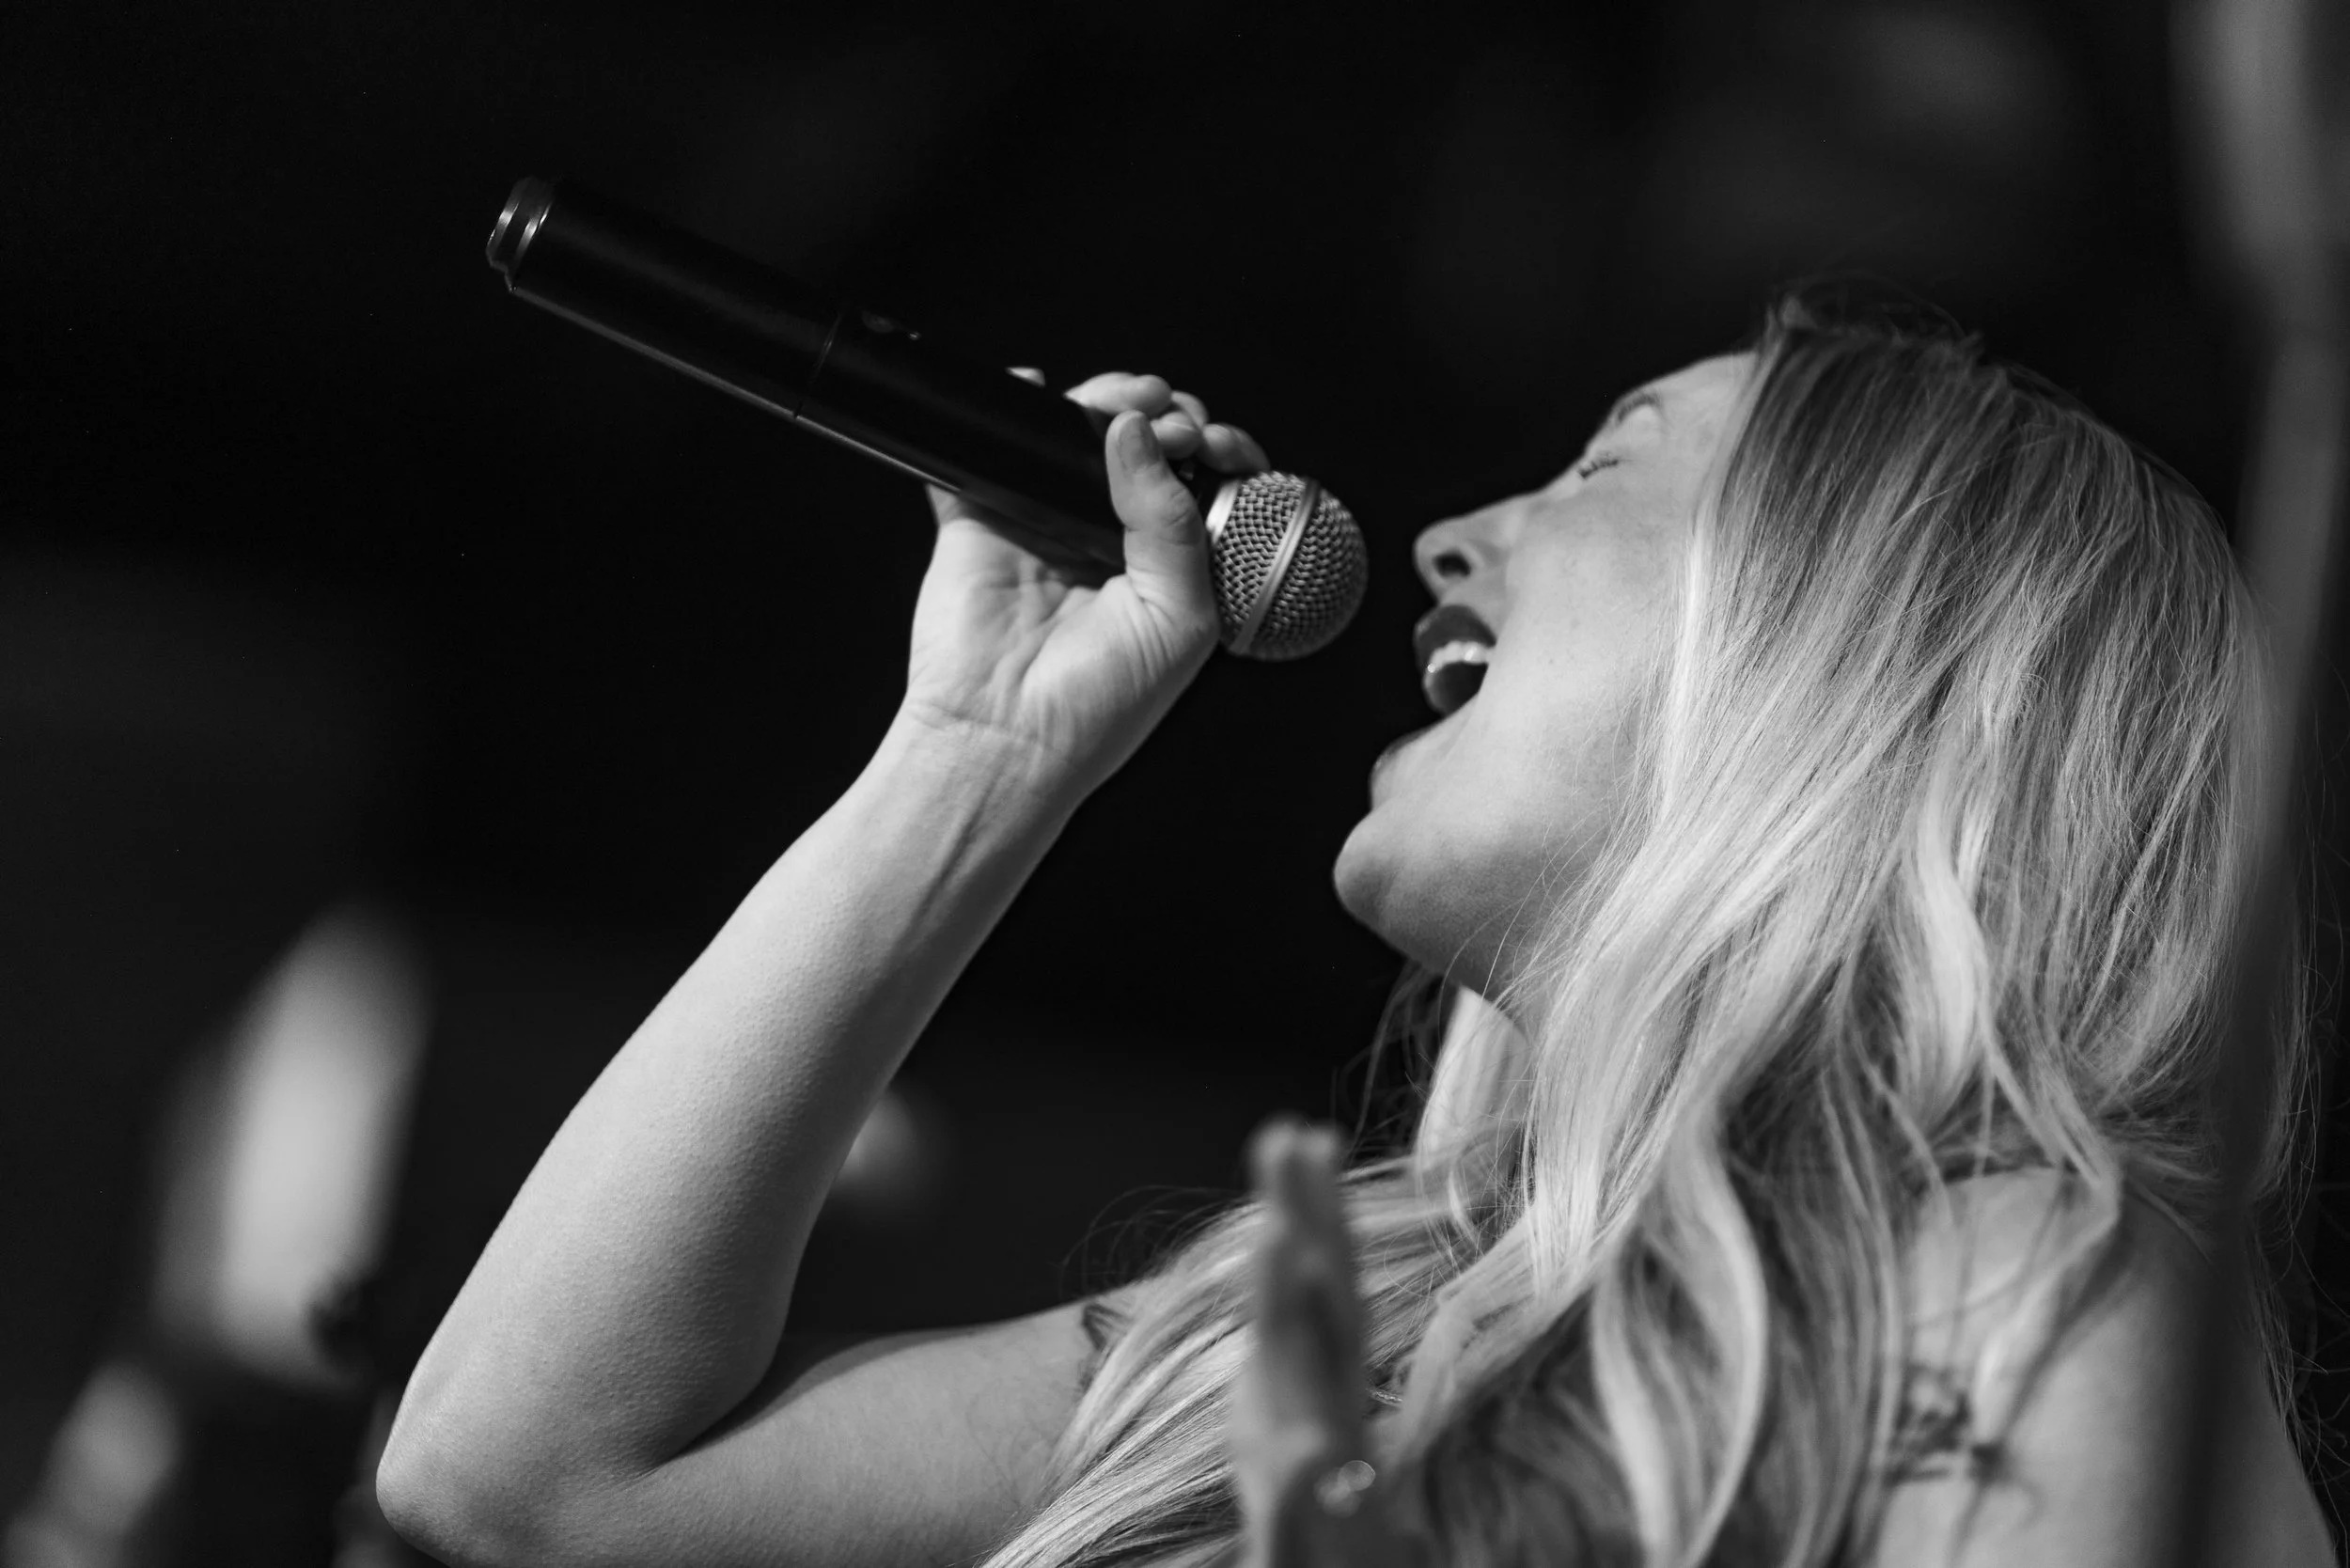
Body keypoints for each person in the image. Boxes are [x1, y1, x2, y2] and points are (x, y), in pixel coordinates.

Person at [373, 290, 2337, 1567]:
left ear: (1852, 652)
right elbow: (526, 1484)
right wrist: (974, 750)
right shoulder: (1338, 1321)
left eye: (1603, 468)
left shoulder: (2023, 1277)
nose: (1446, 538)